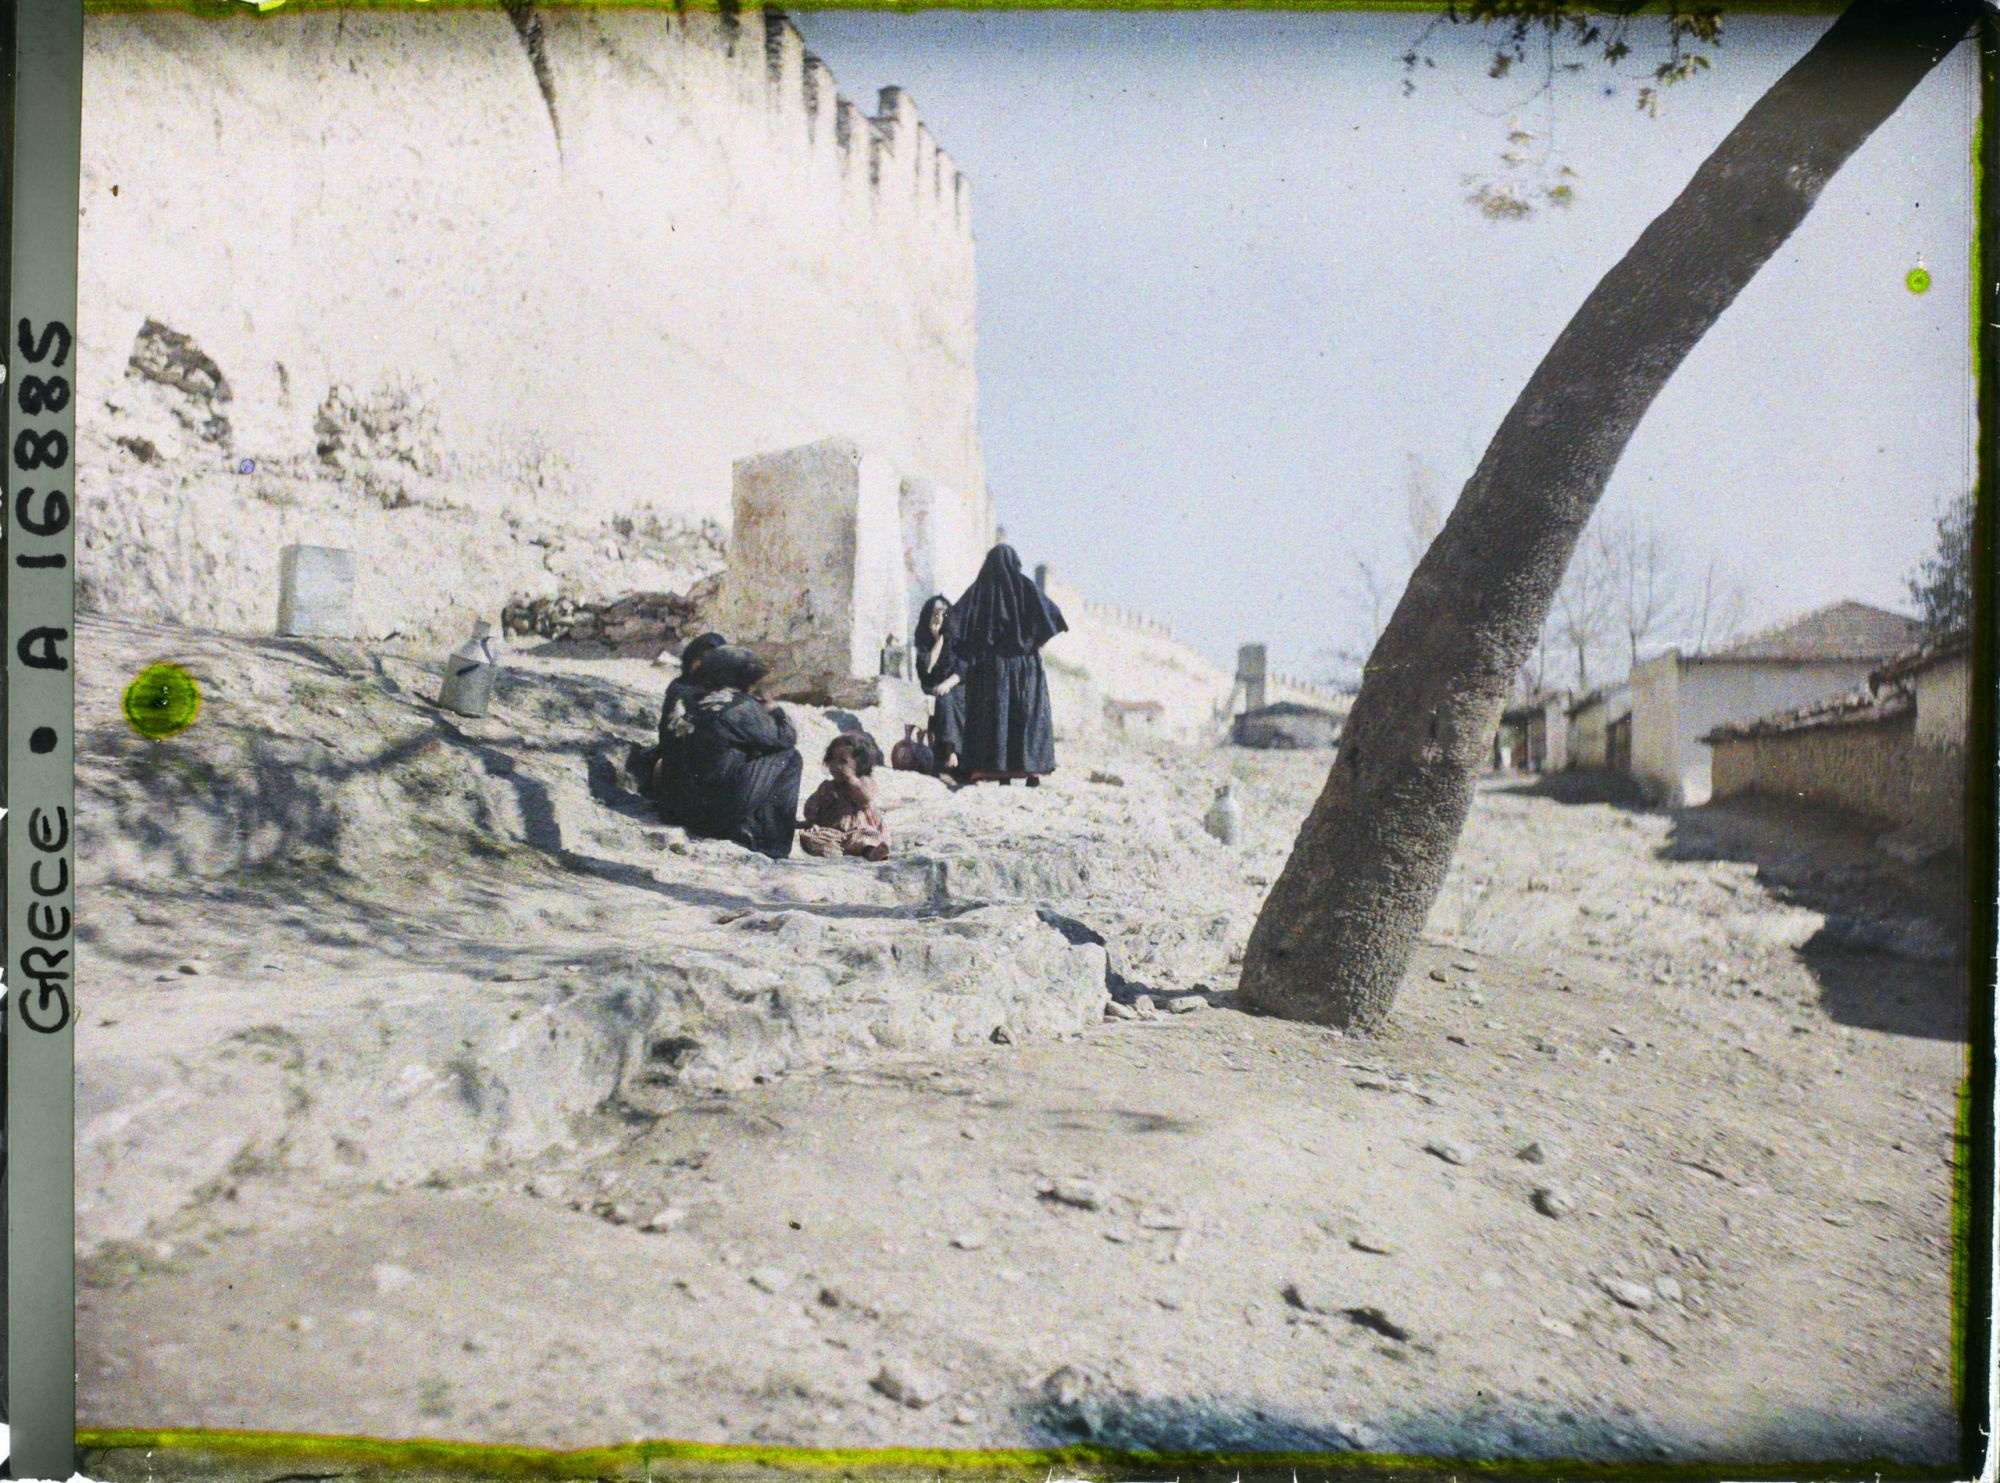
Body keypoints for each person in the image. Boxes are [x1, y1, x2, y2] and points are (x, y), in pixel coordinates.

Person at [950, 543, 1067, 785]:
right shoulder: (1026, 587)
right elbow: (1051, 616)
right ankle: (1030, 771)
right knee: (1025, 716)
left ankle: (998, 771)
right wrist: (1029, 643)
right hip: (1027, 666)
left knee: (996, 716)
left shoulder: (981, 590)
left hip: (992, 668)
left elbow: (955, 621)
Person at [674, 644, 803, 859]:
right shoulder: (741, 706)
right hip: (715, 809)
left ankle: (745, 825)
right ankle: (770, 843)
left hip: (687, 805)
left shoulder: (694, 699)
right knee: (790, 758)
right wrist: (775, 710)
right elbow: (786, 738)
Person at [651, 631, 727, 825]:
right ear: (691, 659)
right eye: (700, 659)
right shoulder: (680, 689)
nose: (704, 665)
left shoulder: (724, 694)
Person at [799, 733, 890, 862]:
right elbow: (811, 806)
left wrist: (851, 779)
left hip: (858, 829)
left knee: (865, 838)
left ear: (860, 764)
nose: (837, 766)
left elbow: (866, 799)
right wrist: (813, 822)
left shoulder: (864, 782)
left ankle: (871, 852)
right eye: (833, 760)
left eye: (843, 761)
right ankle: (831, 850)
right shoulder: (827, 787)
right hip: (833, 831)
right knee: (811, 837)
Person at [913, 595, 966, 774]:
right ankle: (944, 754)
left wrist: (948, 684)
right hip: (931, 684)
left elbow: (962, 669)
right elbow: (926, 668)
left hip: (954, 684)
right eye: (934, 612)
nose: (938, 616)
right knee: (940, 697)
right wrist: (938, 639)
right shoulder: (922, 637)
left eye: (942, 612)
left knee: (948, 698)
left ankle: (952, 752)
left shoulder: (957, 637)